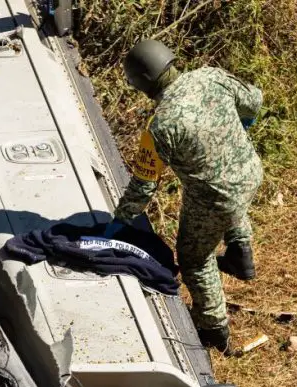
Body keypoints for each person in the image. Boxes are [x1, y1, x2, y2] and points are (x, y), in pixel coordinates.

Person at [104, 39, 264, 353]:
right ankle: (239, 250)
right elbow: (254, 101)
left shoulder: (160, 127)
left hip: (216, 199)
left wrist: (116, 225)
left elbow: (143, 187)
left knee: (194, 258)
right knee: (228, 195)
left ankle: (214, 328)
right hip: (251, 173)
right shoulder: (211, 76)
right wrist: (241, 127)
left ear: (142, 84)